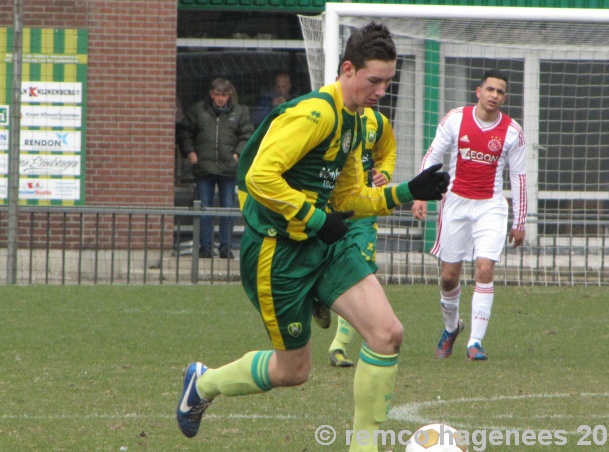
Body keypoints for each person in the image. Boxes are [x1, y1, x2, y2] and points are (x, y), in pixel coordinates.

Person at [176, 21, 450, 451]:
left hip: (322, 244)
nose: (380, 91)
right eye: (373, 80)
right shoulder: (316, 113)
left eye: (387, 82)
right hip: (275, 252)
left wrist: (405, 192)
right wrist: (316, 218)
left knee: (387, 333)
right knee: (294, 371)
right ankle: (204, 383)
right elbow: (260, 176)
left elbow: (350, 199)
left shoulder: (357, 122)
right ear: (347, 69)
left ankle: (363, 446)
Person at [412, 69, 528, 361]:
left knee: (485, 268)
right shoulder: (456, 118)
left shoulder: (512, 131)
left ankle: (475, 342)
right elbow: (433, 156)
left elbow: (520, 177)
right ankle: (452, 328)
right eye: (490, 89)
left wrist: (520, 221)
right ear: (478, 91)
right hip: (456, 204)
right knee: (449, 277)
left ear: (505, 97)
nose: (494, 96)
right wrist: (420, 193)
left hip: (490, 205)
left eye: (500, 92)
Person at [314, 106, 397, 369]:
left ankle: (338, 346)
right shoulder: (327, 116)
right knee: (323, 265)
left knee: (359, 271)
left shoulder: (378, 122)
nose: (378, 90)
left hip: (362, 210)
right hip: (330, 209)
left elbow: (388, 153)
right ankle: (319, 295)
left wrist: (385, 173)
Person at [178, 77, 254, 259]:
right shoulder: (197, 110)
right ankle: (205, 247)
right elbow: (185, 132)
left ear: (229, 95)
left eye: (224, 95)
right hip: (204, 167)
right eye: (217, 95)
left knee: (227, 209)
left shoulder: (240, 112)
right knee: (204, 209)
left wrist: (237, 153)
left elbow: (247, 135)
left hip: (228, 168)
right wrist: (190, 152)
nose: (220, 99)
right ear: (211, 94)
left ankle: (225, 247)